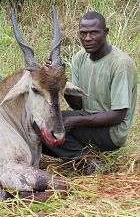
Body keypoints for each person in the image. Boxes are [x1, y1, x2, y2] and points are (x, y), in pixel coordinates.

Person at [41, 11, 138, 174]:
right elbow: (78, 103)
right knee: (40, 124)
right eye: (83, 33)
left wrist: (76, 122)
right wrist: (59, 77)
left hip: (112, 131)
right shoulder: (80, 57)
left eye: (94, 32)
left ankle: (89, 161)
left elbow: (118, 116)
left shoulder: (120, 64)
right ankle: (84, 156)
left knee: (52, 127)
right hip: (89, 118)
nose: (87, 38)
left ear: (106, 32)